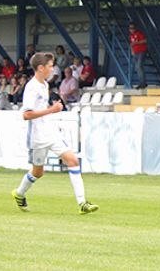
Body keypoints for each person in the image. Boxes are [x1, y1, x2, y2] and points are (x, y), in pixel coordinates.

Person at [11, 52, 98, 215]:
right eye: (50, 66)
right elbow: (26, 114)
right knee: (38, 172)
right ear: (41, 67)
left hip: (51, 132)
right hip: (37, 137)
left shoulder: (44, 84)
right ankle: (19, 193)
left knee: (72, 160)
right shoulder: (31, 87)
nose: (52, 69)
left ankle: (82, 203)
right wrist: (51, 110)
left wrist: (52, 110)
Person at [129, 22, 148, 89]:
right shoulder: (131, 36)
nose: (132, 29)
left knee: (139, 66)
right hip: (135, 52)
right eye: (130, 28)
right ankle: (141, 82)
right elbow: (131, 44)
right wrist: (132, 51)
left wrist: (137, 42)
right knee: (137, 68)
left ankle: (143, 83)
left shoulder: (139, 34)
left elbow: (145, 40)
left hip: (141, 51)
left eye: (133, 28)